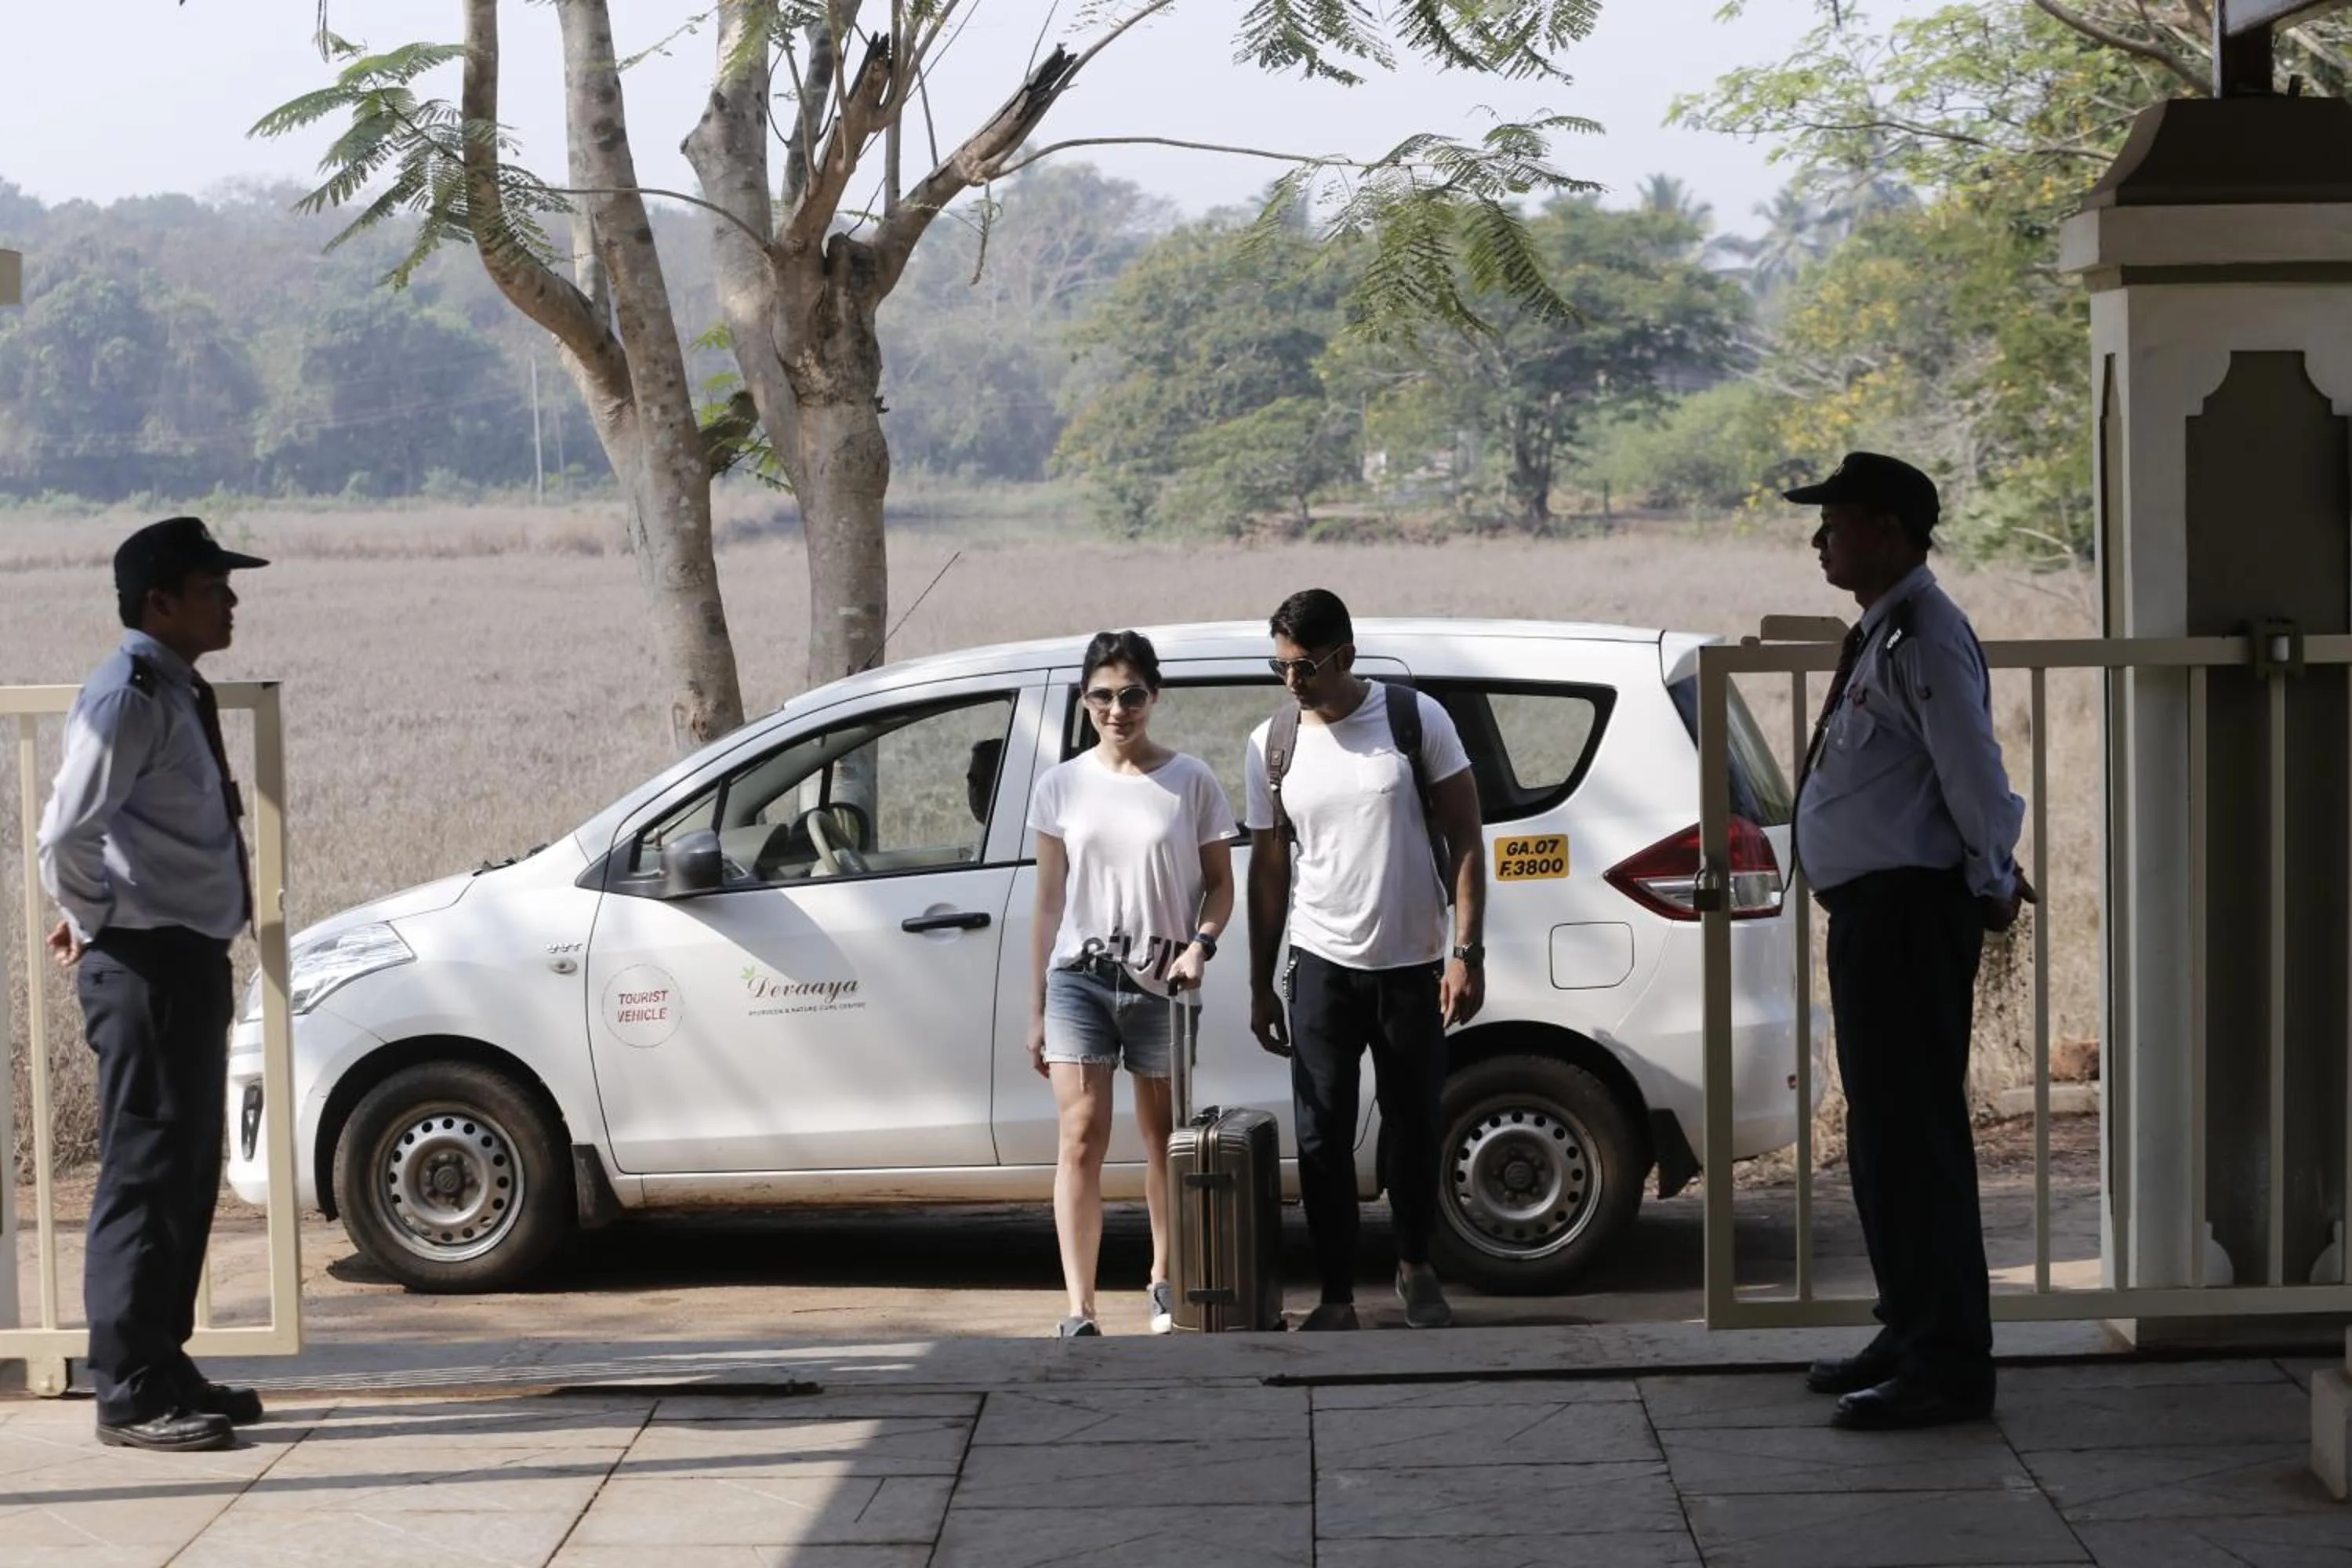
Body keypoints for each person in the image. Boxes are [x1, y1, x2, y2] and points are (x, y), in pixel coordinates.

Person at [1784, 452, 2033, 1431]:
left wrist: (1991, 876)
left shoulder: (1924, 635)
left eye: (1837, 522)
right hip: (1875, 916)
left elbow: (1972, 772)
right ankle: (1910, 1325)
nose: (1821, 540)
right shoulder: (1887, 632)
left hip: (1907, 915)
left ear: (1886, 530)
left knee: (1916, 1139)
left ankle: (1948, 1361)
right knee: (1885, 1136)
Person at [37, 517, 271, 1452]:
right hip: (146, 962)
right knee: (144, 1174)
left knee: (182, 1170)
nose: (232, 600)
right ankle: (129, 1391)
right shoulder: (127, 695)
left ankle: (162, 1363)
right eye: (214, 587)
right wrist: (99, 914)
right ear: (159, 603)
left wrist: (103, 904)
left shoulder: (170, 686)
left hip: (179, 955)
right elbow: (67, 832)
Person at [1243, 589, 1486, 1331]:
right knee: (1321, 1135)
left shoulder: (1414, 719)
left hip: (1411, 963)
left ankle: (1416, 1266)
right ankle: (1336, 1295)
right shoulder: (1272, 744)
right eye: (1280, 667)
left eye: (1306, 666)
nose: (1292, 680)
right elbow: (1269, 868)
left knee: (1414, 1125)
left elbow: (1467, 837)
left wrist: (1466, 953)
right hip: (1320, 963)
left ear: (1346, 655)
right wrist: (1260, 983)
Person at [1027, 630, 1236, 1338]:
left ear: (1155, 696)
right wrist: (1036, 1009)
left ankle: (1163, 1281)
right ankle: (1079, 1307)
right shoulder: (1060, 786)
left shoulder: (1191, 781)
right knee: (1080, 1134)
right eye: (1102, 697)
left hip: (1164, 983)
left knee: (1164, 1139)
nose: (1117, 710)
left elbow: (1221, 886)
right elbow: (1049, 903)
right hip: (1079, 980)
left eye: (1132, 695)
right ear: (1085, 701)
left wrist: (1201, 947)